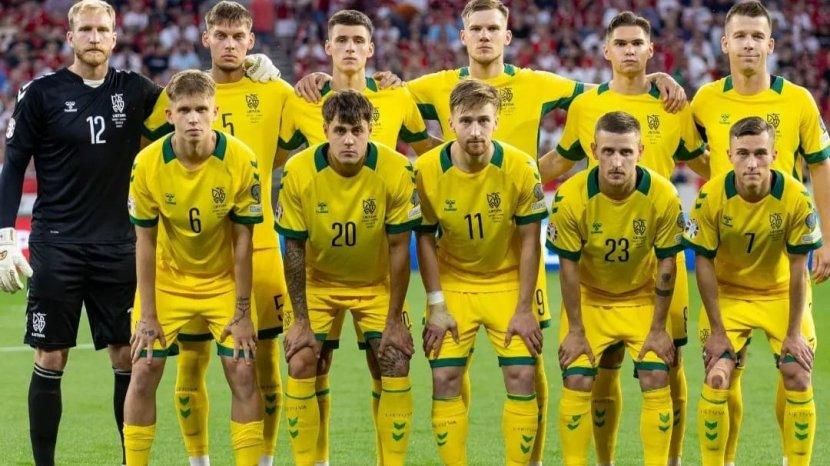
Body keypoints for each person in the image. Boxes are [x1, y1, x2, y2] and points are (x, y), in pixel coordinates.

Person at [536, 11, 707, 465]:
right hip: (601, 257)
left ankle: (670, 460)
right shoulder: (586, 106)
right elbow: (561, 159)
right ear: (606, 51)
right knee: (602, 366)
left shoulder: (673, 104)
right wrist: (512, 179)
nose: (629, 51)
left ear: (651, 50)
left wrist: (764, 181)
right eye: (621, 43)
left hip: (659, 252)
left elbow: (703, 163)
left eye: (637, 43)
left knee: (670, 366)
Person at [0, 2, 160, 464]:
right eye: (85, 29)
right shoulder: (40, 94)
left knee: (126, 356)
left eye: (102, 29)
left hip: (119, 245)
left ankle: (132, 460)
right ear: (70, 37)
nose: (94, 37)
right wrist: (5, 236)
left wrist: (252, 69)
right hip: (57, 245)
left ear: (114, 38)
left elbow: (195, 104)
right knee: (51, 357)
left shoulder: (136, 90)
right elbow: (14, 165)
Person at [141, 2, 293, 465]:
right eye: (220, 35)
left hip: (258, 244)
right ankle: (198, 460)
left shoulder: (275, 91)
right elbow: (151, 149)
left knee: (263, 363)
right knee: (191, 362)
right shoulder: (180, 92)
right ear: (205, 38)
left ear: (251, 41)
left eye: (238, 36)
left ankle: (263, 460)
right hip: (191, 253)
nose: (229, 44)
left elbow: (298, 143)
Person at [690, 2, 830, 463]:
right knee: (723, 372)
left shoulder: (798, 100)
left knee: (796, 369)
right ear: (725, 44)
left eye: (757, 36)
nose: (748, 44)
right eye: (740, 36)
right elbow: (684, 147)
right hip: (728, 265)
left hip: (781, 262)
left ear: (770, 44)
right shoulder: (705, 100)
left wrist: (828, 239)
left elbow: (820, 167)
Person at [123, 70, 264, 466]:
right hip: (169, 280)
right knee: (145, 367)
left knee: (242, 369)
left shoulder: (241, 159)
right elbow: (145, 241)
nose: (193, 119)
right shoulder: (148, 163)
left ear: (215, 112)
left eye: (201, 109)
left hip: (223, 281)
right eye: (184, 110)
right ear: (169, 115)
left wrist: (242, 312)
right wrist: (147, 314)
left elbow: (243, 241)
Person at [276, 90, 420, 466]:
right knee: (302, 360)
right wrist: (301, 321)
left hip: (375, 284)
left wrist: (394, 320)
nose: (349, 140)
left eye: (357, 130)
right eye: (340, 130)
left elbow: (399, 248)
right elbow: (293, 248)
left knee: (394, 360)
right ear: (325, 130)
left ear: (371, 129)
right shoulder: (299, 171)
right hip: (318, 282)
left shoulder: (396, 169)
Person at [415, 80, 547, 465]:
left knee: (522, 375)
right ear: (451, 123)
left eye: (483, 121)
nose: (475, 131)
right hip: (454, 283)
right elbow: (424, 239)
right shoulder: (425, 170)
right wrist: (436, 305)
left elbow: (530, 241)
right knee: (444, 378)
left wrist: (524, 308)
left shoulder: (521, 167)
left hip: (507, 282)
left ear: (497, 122)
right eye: (466, 121)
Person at [549, 111, 684, 465]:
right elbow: (567, 267)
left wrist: (658, 328)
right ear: (593, 151)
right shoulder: (570, 197)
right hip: (591, 300)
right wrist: (575, 330)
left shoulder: (664, 195)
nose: (617, 161)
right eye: (608, 151)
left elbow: (667, 265)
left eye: (626, 152)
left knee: (656, 374)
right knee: (577, 378)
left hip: (641, 298)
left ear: (640, 151)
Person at [685, 116, 820, 465]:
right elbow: (703, 263)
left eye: (760, 153)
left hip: (780, 292)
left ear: (774, 155)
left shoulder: (796, 197)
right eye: (743, 153)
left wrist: (794, 333)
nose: (752, 163)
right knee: (718, 376)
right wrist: (717, 331)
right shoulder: (710, 196)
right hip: (729, 294)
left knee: (798, 372)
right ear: (728, 155)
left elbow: (798, 267)